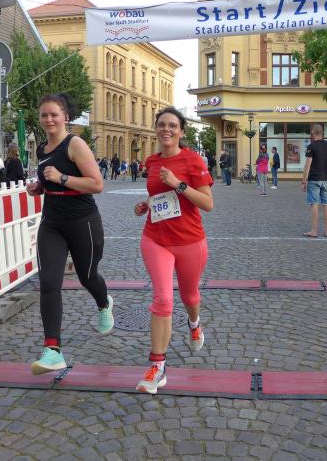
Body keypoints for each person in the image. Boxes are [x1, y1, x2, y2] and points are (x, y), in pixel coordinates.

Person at [25, 93, 113, 375]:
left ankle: (104, 303)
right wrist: (40, 187)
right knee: (49, 282)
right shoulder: (42, 148)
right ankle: (52, 351)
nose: (48, 119)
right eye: (44, 115)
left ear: (65, 116)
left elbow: (96, 184)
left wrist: (61, 178)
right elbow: (48, 179)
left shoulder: (75, 144)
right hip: (52, 223)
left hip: (82, 221)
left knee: (87, 276)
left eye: (54, 114)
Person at [133, 107, 214, 394]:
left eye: (172, 125)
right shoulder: (152, 161)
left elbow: (207, 203)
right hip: (155, 238)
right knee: (163, 299)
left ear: (181, 131)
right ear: (156, 129)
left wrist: (178, 184)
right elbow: (158, 196)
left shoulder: (193, 160)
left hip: (190, 241)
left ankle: (194, 323)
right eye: (161, 125)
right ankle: (157, 367)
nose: (166, 129)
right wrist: (146, 205)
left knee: (189, 296)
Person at [302, 124, 327, 238]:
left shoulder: (311, 146)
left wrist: (303, 181)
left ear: (313, 132)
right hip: (326, 178)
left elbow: (307, 164)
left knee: (314, 204)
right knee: (326, 204)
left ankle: (314, 231)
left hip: (314, 178)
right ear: (322, 132)